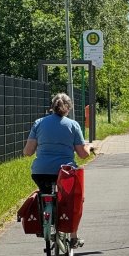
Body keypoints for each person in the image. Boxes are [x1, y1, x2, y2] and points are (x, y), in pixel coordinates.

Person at [22, 93, 93, 247]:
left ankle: (43, 224)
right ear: (69, 108)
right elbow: (82, 154)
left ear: (52, 107)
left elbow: (28, 152)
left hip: (41, 172)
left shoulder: (39, 123)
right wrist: (89, 146)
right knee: (73, 200)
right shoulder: (73, 125)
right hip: (65, 173)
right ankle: (73, 236)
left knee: (44, 193)